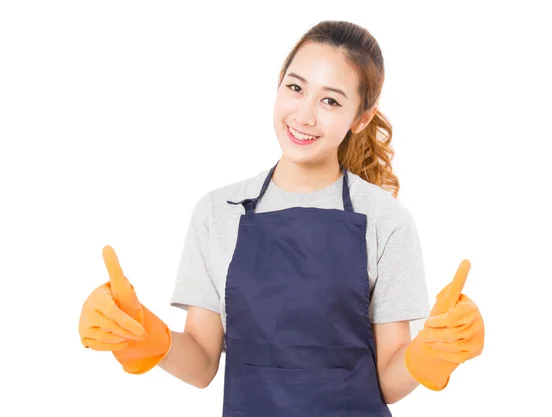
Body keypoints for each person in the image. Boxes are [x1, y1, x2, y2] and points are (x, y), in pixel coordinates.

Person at [78, 20, 485, 416]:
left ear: (361, 118)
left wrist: (432, 353)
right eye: (295, 88)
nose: (304, 116)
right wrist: (142, 335)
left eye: (330, 100)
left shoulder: (384, 219)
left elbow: (389, 382)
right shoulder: (219, 212)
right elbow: (202, 365)